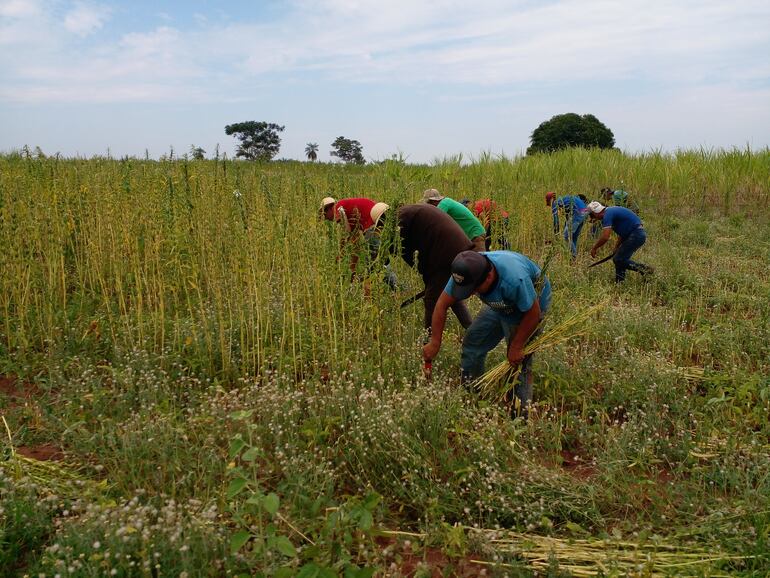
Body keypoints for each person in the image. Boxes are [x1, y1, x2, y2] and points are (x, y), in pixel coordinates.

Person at [422, 250, 551, 418]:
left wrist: (517, 346)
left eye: (473, 289)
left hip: (529, 308)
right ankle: (471, 395)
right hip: (500, 306)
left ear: (489, 277)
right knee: (473, 341)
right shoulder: (467, 270)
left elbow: (533, 314)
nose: (472, 293)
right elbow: (442, 304)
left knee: (518, 364)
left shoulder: (514, 279)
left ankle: (519, 418)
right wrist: (435, 342)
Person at [369, 203, 474, 330]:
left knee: (432, 299)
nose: (382, 229)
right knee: (451, 294)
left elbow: (393, 246)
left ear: (383, 220)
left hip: (446, 253)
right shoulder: (407, 213)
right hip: (454, 250)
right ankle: (472, 330)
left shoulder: (400, 218)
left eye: (381, 226)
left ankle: (429, 339)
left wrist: (373, 267)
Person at [321, 196, 397, 287]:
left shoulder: (338, 208)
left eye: (325, 215)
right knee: (377, 261)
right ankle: (394, 287)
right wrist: (341, 254)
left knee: (375, 262)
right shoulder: (347, 211)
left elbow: (351, 240)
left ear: (329, 209)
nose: (327, 219)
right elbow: (353, 240)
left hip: (374, 221)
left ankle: (397, 287)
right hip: (380, 218)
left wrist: (351, 268)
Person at [587, 201, 652, 283]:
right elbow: (622, 233)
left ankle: (645, 269)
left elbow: (605, 237)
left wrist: (594, 248)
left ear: (594, 213)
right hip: (635, 234)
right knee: (620, 259)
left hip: (636, 235)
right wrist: (616, 247)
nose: (591, 218)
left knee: (618, 259)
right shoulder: (610, 212)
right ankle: (619, 283)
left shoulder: (607, 215)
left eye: (591, 215)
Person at [422, 189, 486, 251]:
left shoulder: (444, 203)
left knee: (480, 259)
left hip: (475, 234)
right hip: (469, 236)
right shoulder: (447, 202)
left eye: (428, 204)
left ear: (432, 201)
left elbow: (435, 219)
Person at [545, 191, 588, 259]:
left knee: (566, 236)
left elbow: (556, 220)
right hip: (585, 211)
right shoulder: (563, 200)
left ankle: (573, 257)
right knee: (573, 237)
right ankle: (572, 255)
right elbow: (568, 217)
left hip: (578, 213)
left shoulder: (555, 203)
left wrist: (556, 234)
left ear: (550, 200)